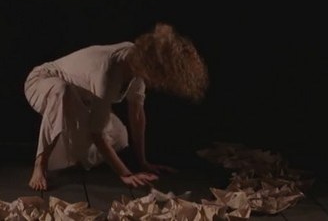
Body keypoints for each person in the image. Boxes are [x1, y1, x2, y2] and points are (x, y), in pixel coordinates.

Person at [24, 22, 209, 191]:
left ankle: (75, 154)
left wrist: (143, 162)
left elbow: (137, 115)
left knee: (119, 136)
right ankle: (40, 164)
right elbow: (96, 133)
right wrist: (125, 174)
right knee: (61, 91)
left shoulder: (137, 66)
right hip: (43, 80)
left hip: (81, 99)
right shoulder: (107, 72)